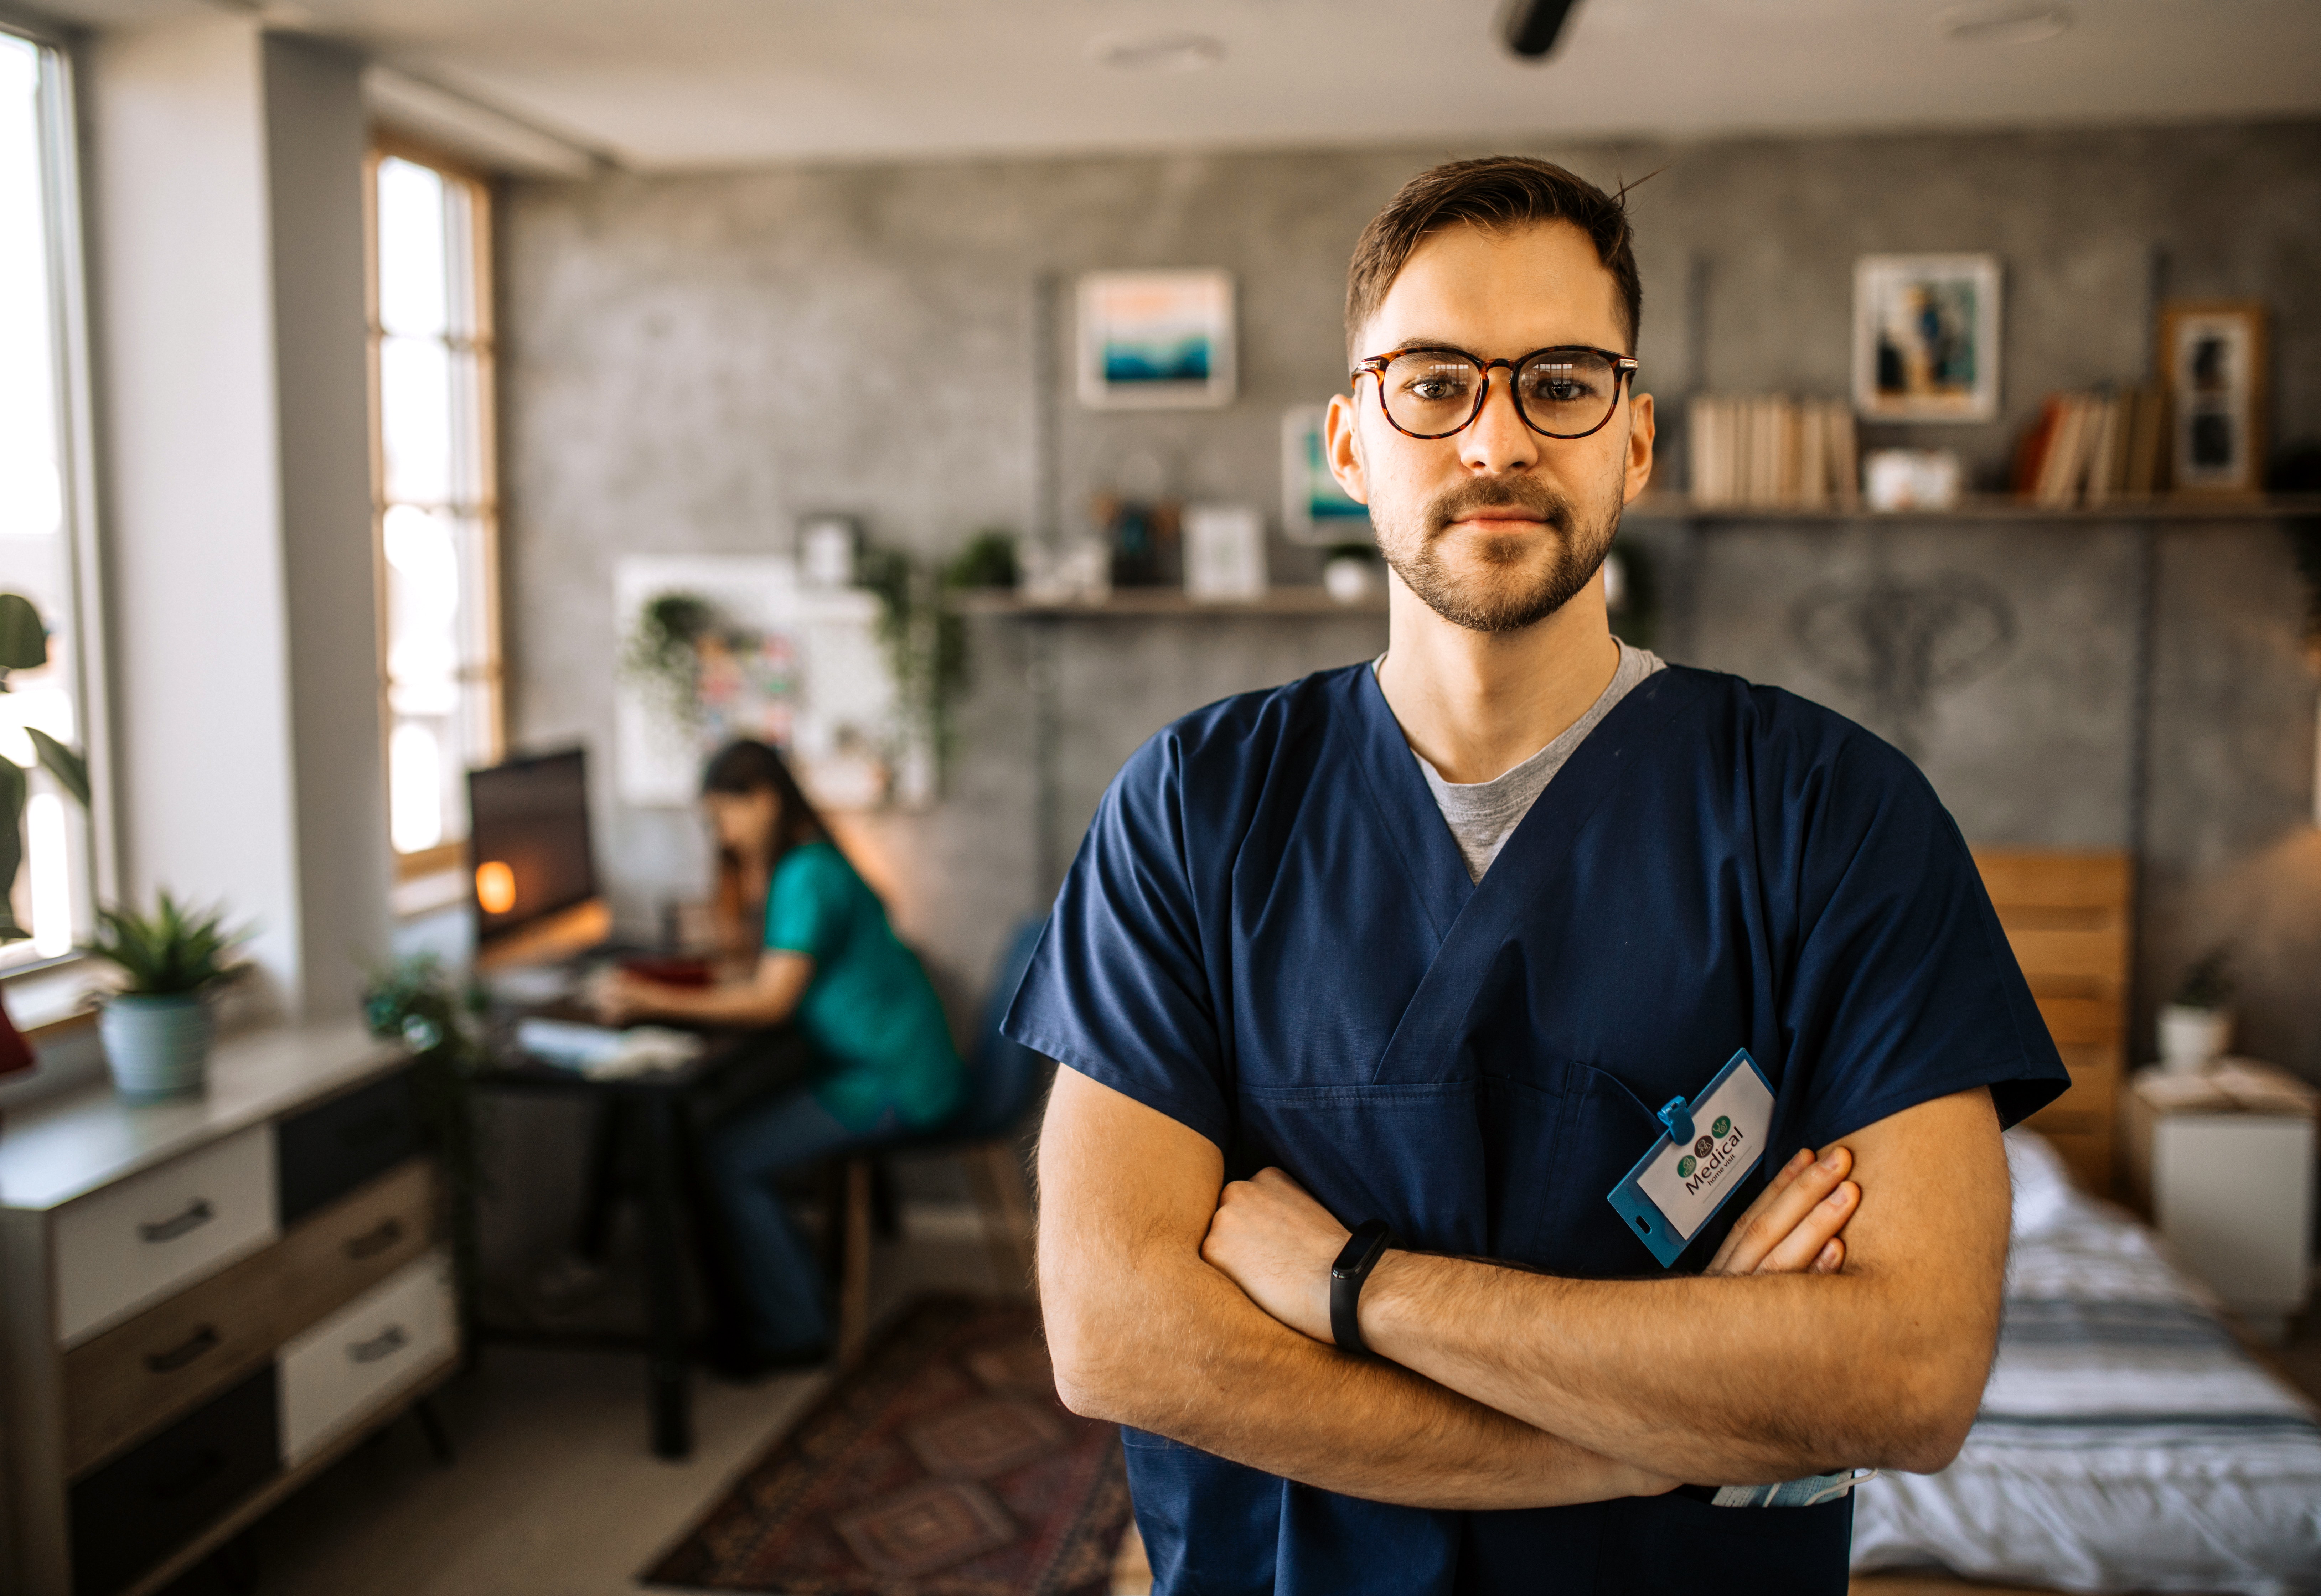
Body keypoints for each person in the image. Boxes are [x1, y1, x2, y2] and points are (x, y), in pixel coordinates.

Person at [1010, 156, 2068, 1595]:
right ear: (1348, 443)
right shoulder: (1192, 812)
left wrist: (1354, 1287)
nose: (1496, 438)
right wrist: (1667, 1436)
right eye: (1434, 382)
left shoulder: (1835, 816)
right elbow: (1117, 1334)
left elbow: (1911, 1370)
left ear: (1634, 441)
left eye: (1560, 382)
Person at [595, 738, 965, 1367]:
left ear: (764, 801)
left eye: (724, 817)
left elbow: (771, 1002)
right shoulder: (817, 862)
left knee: (727, 1154)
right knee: (731, 1130)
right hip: (895, 1065)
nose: (723, 836)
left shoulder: (807, 876)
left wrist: (652, 1001)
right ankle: (790, 1295)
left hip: (889, 1081)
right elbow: (776, 978)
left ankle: (794, 1325)